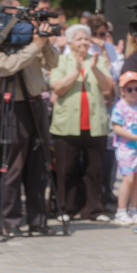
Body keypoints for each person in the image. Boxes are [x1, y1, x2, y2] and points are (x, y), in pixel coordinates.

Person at [0, 0, 59, 237]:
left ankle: (38, 220)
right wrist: (34, 46)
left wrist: (43, 42)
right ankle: (11, 220)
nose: (22, 19)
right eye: (16, 14)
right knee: (13, 164)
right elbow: (6, 66)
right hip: (13, 106)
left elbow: (53, 62)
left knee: (40, 164)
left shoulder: (29, 39)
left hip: (36, 103)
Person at [49, 24, 114, 223]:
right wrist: (75, 72)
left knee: (95, 170)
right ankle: (65, 209)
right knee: (66, 169)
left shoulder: (98, 60)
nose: (84, 42)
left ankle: (95, 209)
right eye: (79, 39)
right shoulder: (61, 60)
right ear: (69, 42)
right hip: (67, 124)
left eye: (86, 38)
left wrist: (93, 68)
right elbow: (57, 87)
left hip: (95, 124)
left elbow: (108, 87)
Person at [111, 71, 137, 227]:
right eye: (129, 89)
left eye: (136, 89)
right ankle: (121, 212)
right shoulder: (120, 107)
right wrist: (134, 137)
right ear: (122, 91)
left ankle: (134, 210)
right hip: (125, 148)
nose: (133, 92)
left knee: (136, 180)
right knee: (128, 179)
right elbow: (116, 127)